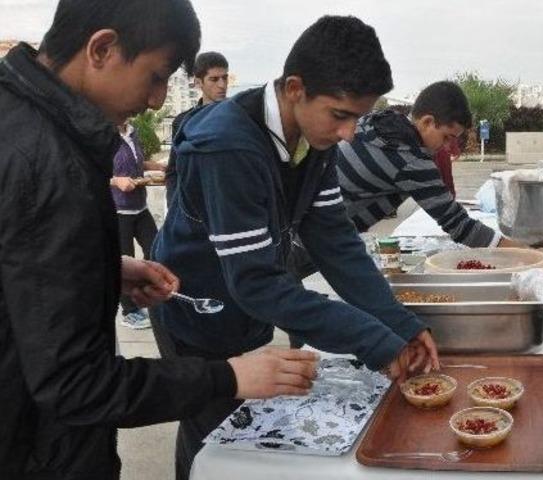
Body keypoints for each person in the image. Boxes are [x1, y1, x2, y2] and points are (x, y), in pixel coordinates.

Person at [0, 1, 320, 479]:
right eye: (156, 76)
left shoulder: (20, 119)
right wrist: (228, 377)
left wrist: (103, 266)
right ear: (102, 48)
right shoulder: (48, 163)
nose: (155, 99)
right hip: (33, 448)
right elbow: (75, 384)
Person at [152, 16, 440, 479]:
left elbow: (336, 242)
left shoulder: (313, 137)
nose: (349, 134)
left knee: (249, 432)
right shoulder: (229, 145)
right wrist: (373, 342)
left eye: (358, 119)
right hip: (198, 308)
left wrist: (398, 322)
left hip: (248, 308)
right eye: (340, 115)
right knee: (213, 437)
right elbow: (256, 282)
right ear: (294, 89)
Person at [336, 81, 543, 271]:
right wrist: (535, 257)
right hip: (315, 234)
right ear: (428, 122)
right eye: (447, 137)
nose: (445, 147)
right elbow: (461, 226)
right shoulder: (410, 158)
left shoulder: (381, 123)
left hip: (314, 222)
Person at [110, 121, 165, 329]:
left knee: (157, 251)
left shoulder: (133, 132)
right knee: (125, 260)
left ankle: (154, 298)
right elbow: (94, 169)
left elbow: (136, 162)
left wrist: (157, 167)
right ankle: (129, 311)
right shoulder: (105, 134)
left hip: (140, 207)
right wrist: (116, 181)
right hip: (119, 210)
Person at [165, 51, 229, 204]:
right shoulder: (183, 122)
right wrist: (174, 204)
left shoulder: (241, 118)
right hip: (194, 211)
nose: (222, 85)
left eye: (225, 78)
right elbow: (174, 170)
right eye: (214, 79)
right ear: (199, 82)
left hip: (228, 209)